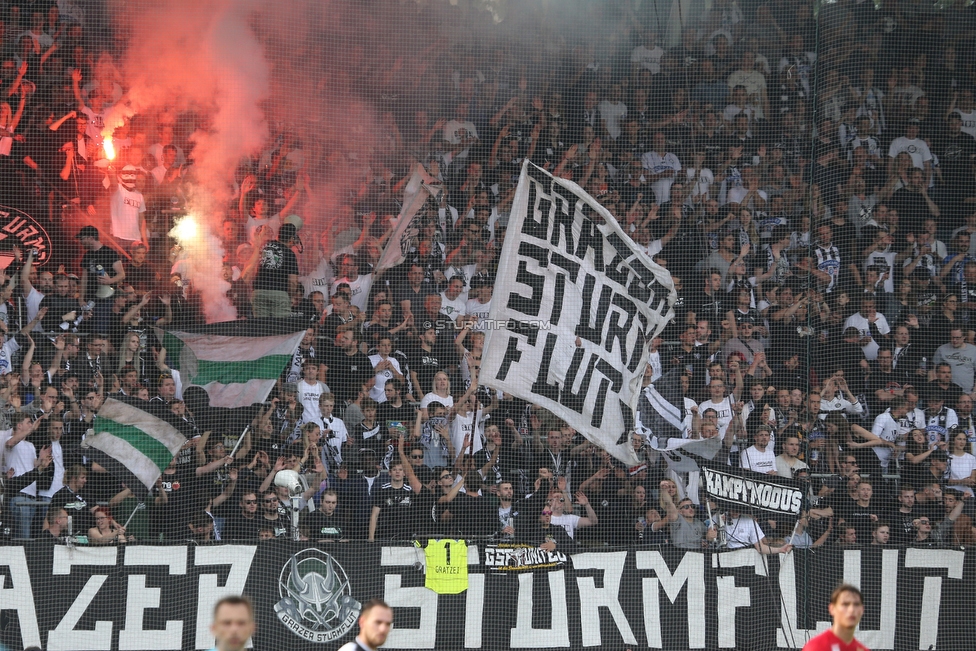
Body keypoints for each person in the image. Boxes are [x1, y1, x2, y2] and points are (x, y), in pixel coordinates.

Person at [801, 584, 868, 651]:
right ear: (832, 609)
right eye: (845, 604)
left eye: (856, 604)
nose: (852, 610)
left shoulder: (862, 649)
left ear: (862, 610)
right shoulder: (816, 647)